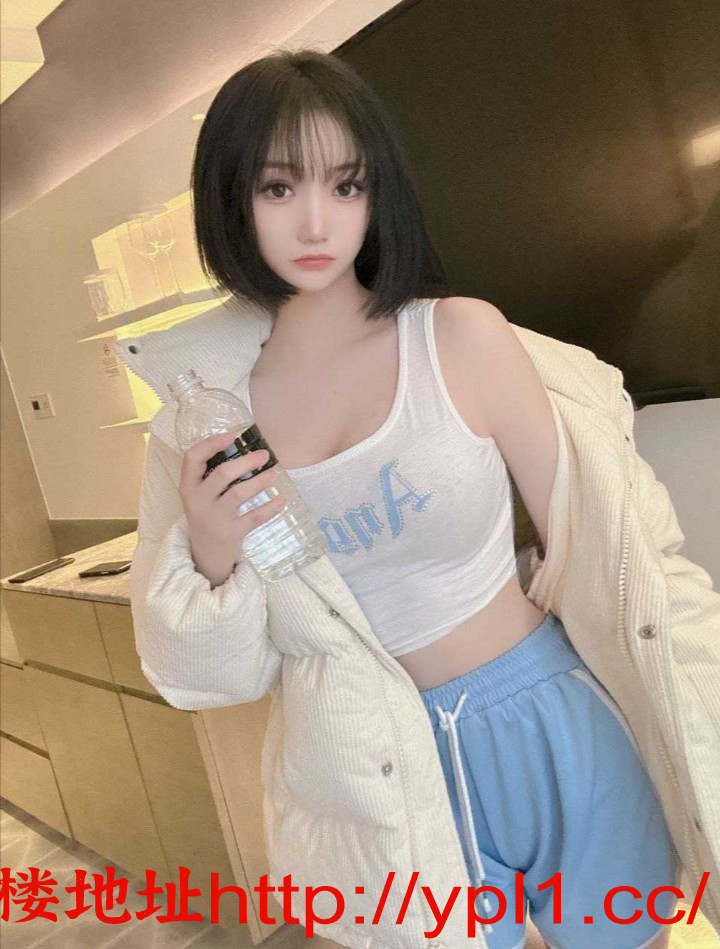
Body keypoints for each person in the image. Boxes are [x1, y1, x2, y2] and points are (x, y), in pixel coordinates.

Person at [123, 47, 720, 949]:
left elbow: (619, 551)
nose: (316, 221)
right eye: (279, 187)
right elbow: (211, 677)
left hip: (552, 722)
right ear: (230, 199)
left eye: (346, 185)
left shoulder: (461, 340)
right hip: (377, 772)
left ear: (380, 193)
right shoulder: (202, 422)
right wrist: (209, 550)